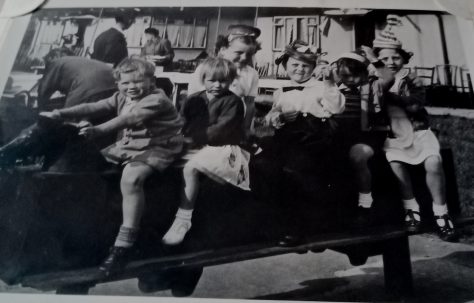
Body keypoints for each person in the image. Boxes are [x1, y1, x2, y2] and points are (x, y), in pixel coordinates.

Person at [40, 58, 184, 273]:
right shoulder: (121, 97)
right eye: (125, 83)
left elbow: (129, 119)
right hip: (129, 145)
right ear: (118, 84)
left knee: (132, 178)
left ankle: (124, 243)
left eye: (138, 82)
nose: (131, 87)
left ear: (152, 81)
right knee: (93, 166)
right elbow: (94, 105)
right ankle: (98, 223)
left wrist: (97, 131)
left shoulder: (156, 99)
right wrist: (62, 113)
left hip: (158, 146)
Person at [364, 15, 457, 241]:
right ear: (378, 61)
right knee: (396, 165)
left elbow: (415, 104)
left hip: (418, 131)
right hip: (394, 135)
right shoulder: (374, 80)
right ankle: (411, 209)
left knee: (434, 162)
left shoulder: (411, 79)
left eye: (396, 57)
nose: (392, 62)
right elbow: (375, 98)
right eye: (385, 58)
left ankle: (441, 213)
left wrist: (395, 97)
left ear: (404, 59)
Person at [251, 40, 345, 246]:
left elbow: (337, 108)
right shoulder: (281, 90)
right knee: (261, 165)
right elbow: (271, 117)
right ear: (285, 66)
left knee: (294, 170)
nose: (300, 70)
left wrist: (329, 83)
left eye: (305, 66)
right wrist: (280, 117)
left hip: (314, 138)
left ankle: (297, 227)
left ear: (312, 68)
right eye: (295, 65)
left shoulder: (322, 87)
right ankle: (271, 222)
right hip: (286, 138)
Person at [161, 57, 246, 246]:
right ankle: (163, 210)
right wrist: (173, 134)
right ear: (203, 79)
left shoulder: (233, 102)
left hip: (221, 147)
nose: (217, 85)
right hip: (196, 144)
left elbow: (221, 129)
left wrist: (191, 139)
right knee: (163, 160)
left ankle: (183, 218)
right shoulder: (194, 99)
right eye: (211, 80)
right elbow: (182, 120)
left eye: (223, 80)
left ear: (231, 80)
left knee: (190, 168)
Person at [331, 51, 389, 225]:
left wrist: (374, 60)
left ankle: (365, 204)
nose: (349, 80)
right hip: (341, 135)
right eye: (344, 75)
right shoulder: (334, 89)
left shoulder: (372, 86)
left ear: (364, 73)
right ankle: (334, 206)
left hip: (366, 135)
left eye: (354, 76)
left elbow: (388, 78)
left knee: (358, 156)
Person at [187, 24, 260, 140]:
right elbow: (193, 98)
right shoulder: (206, 69)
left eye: (250, 54)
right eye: (239, 53)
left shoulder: (251, 74)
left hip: (236, 123)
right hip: (208, 120)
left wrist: (246, 128)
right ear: (223, 50)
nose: (244, 58)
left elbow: (250, 103)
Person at [38, 48, 117, 110]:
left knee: (68, 118)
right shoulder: (81, 60)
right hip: (114, 86)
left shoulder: (56, 62)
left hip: (88, 87)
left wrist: (40, 108)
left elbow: (44, 88)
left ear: (52, 58)